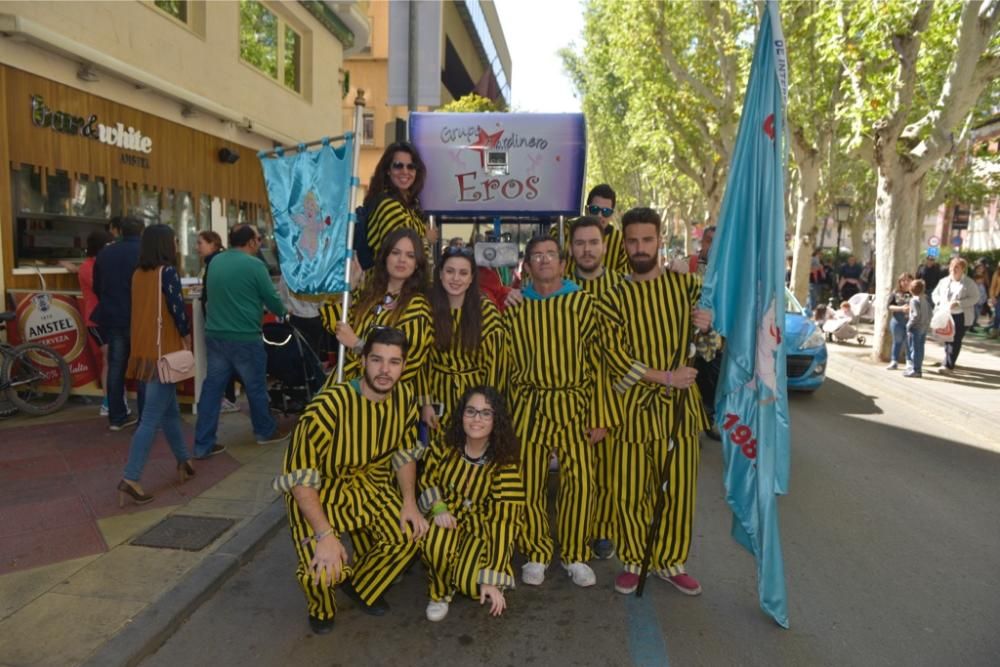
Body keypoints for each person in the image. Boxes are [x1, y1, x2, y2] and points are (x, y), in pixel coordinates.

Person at [596, 207, 718, 597]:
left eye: (647, 239)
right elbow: (611, 355)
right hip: (630, 410)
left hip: (680, 412)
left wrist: (706, 328)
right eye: (633, 240)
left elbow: (710, 351)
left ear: (660, 240)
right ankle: (634, 560)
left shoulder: (688, 288)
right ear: (624, 244)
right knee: (630, 491)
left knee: (678, 490)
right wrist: (663, 376)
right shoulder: (612, 295)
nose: (640, 247)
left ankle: (670, 562)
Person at [273, 326, 428, 634]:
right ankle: (321, 607)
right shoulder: (327, 406)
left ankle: (361, 586)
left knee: (409, 535)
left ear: (404, 366)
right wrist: (325, 535)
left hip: (368, 486)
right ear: (363, 362)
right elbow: (300, 478)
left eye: (394, 362)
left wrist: (409, 503)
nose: (385, 370)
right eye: (377, 360)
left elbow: (405, 454)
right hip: (321, 491)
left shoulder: (405, 398)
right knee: (322, 569)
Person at [504, 235, 611, 588]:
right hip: (528, 406)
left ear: (563, 263)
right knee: (528, 483)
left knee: (580, 482)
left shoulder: (582, 303)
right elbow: (504, 361)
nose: (545, 260)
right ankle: (536, 551)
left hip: (574, 406)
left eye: (551, 254)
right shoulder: (517, 307)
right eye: (537, 255)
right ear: (527, 265)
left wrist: (599, 415)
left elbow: (598, 363)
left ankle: (575, 554)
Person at [419, 386, 525, 622]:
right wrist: (438, 506)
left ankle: (470, 571)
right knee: (435, 544)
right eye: (471, 411)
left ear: (496, 420)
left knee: (472, 584)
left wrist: (491, 577)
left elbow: (504, 522)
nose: (477, 419)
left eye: (486, 413)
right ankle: (439, 591)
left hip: (482, 528)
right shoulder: (445, 445)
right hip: (446, 517)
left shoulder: (504, 463)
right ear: (461, 415)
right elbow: (426, 478)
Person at [193, 224, 289, 459]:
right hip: (245, 336)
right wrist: (283, 311)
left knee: (211, 389)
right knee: (255, 386)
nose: (260, 242)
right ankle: (264, 431)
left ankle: (202, 444)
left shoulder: (216, 262)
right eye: (258, 238)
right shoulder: (255, 265)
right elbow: (272, 299)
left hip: (216, 335)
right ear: (251, 243)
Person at [116, 225, 195, 506]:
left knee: (169, 413)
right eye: (174, 240)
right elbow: (176, 309)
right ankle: (131, 477)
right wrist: (186, 335)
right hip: (165, 353)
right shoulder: (167, 273)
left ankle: (183, 461)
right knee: (150, 418)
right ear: (165, 244)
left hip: (145, 351)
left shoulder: (139, 274)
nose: (176, 243)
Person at [565, 216, 626, 561]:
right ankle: (574, 531)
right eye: (580, 243)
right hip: (569, 396)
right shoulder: (557, 284)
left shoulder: (623, 286)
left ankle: (602, 529)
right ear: (570, 248)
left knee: (607, 470)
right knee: (576, 474)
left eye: (593, 243)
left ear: (604, 246)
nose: (587, 250)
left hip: (615, 395)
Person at [322, 228, 433, 398]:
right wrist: (349, 290)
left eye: (410, 255)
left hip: (381, 399)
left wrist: (357, 345)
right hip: (343, 387)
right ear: (385, 257)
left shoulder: (417, 307)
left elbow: (408, 365)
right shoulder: (370, 293)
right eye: (395, 252)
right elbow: (335, 326)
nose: (402, 260)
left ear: (417, 264)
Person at [422, 247, 508, 443]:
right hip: (438, 397)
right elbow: (420, 361)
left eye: (463, 273)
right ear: (441, 274)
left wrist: (488, 407)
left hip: (477, 397)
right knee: (439, 456)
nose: (456, 278)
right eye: (450, 271)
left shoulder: (486, 311)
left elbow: (496, 364)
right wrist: (425, 402)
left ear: (471, 278)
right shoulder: (426, 308)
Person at [93, 216, 145, 431]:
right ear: (142, 230)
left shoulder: (105, 253)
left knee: (116, 366)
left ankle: (116, 417)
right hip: (140, 317)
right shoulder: (145, 252)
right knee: (143, 367)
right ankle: (146, 418)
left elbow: (98, 286)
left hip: (113, 316)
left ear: (120, 231)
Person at [61, 229, 113, 415]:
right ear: (100, 247)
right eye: (109, 245)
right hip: (96, 320)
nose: (112, 248)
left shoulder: (99, 264)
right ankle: (108, 401)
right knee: (110, 359)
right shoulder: (88, 267)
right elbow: (103, 288)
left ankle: (114, 398)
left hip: (110, 317)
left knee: (114, 359)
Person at [360, 141, 437, 267]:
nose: (405, 171)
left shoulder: (410, 206)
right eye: (398, 166)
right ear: (388, 170)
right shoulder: (388, 206)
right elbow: (402, 251)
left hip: (408, 284)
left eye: (411, 166)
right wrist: (427, 238)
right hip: (387, 285)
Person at [196, 230, 240, 414]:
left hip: (218, 322)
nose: (197, 247)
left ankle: (228, 397)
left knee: (224, 361)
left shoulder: (215, 263)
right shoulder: (215, 262)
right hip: (223, 320)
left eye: (200, 243)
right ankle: (229, 396)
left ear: (213, 244)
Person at [551, 184, 629, 276]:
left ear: (612, 214)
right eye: (595, 209)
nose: (600, 215)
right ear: (586, 209)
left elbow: (624, 276)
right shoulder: (564, 230)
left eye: (606, 211)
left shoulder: (620, 240)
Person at [931, 257, 979, 374]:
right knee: (947, 339)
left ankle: (948, 365)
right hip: (945, 315)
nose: (953, 269)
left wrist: (959, 303)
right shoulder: (943, 281)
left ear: (963, 269)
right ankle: (947, 360)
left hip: (961, 316)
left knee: (955, 340)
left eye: (957, 267)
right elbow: (934, 294)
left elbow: (975, 298)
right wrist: (938, 302)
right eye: (952, 266)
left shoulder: (969, 283)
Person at [886, 273, 914, 369]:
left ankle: (909, 361)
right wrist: (901, 308)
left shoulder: (915, 293)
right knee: (897, 341)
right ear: (900, 282)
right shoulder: (895, 292)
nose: (906, 282)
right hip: (897, 320)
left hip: (911, 322)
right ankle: (894, 361)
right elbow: (889, 306)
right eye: (903, 280)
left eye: (908, 280)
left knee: (909, 342)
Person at [904, 279, 931, 378]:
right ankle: (918, 368)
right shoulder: (925, 299)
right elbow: (930, 313)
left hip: (916, 327)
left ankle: (915, 369)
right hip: (924, 326)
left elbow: (915, 315)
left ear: (911, 290)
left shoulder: (914, 300)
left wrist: (908, 325)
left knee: (914, 349)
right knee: (920, 348)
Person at [988, 265, 1000, 338]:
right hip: (998, 296)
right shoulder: (997, 273)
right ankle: (995, 332)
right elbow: (993, 286)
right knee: (998, 315)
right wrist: (992, 297)